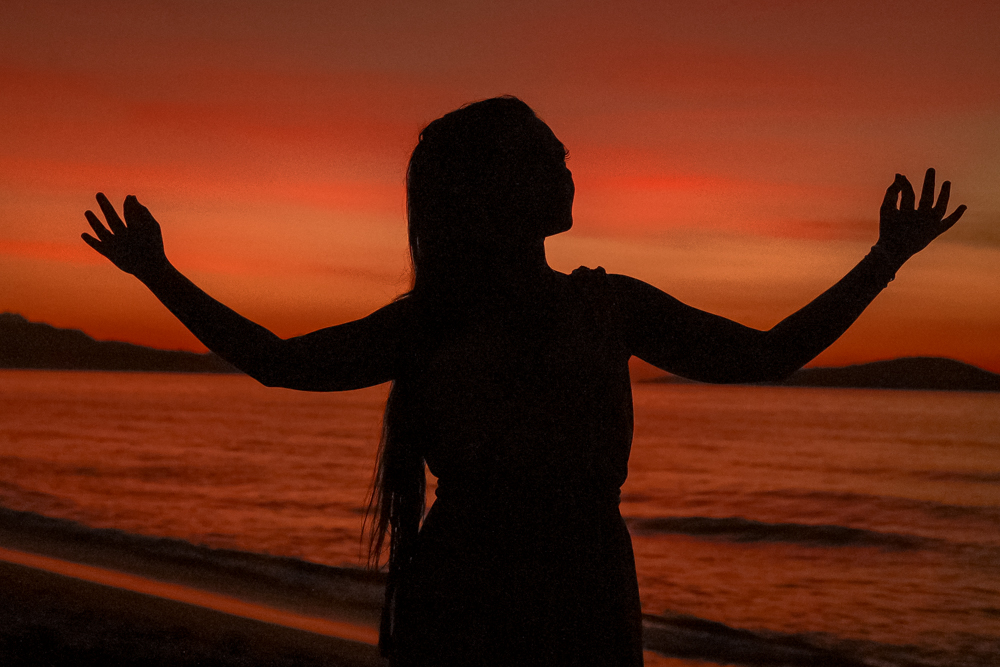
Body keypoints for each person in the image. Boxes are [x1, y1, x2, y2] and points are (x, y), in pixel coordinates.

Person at [81, 96, 965, 666]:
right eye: (543, 157)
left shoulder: (607, 305)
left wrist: (883, 257)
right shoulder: (442, 316)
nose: (565, 171)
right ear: (489, 188)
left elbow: (765, 354)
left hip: (585, 599)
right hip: (471, 605)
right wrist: (157, 274)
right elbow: (283, 362)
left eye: (563, 155)